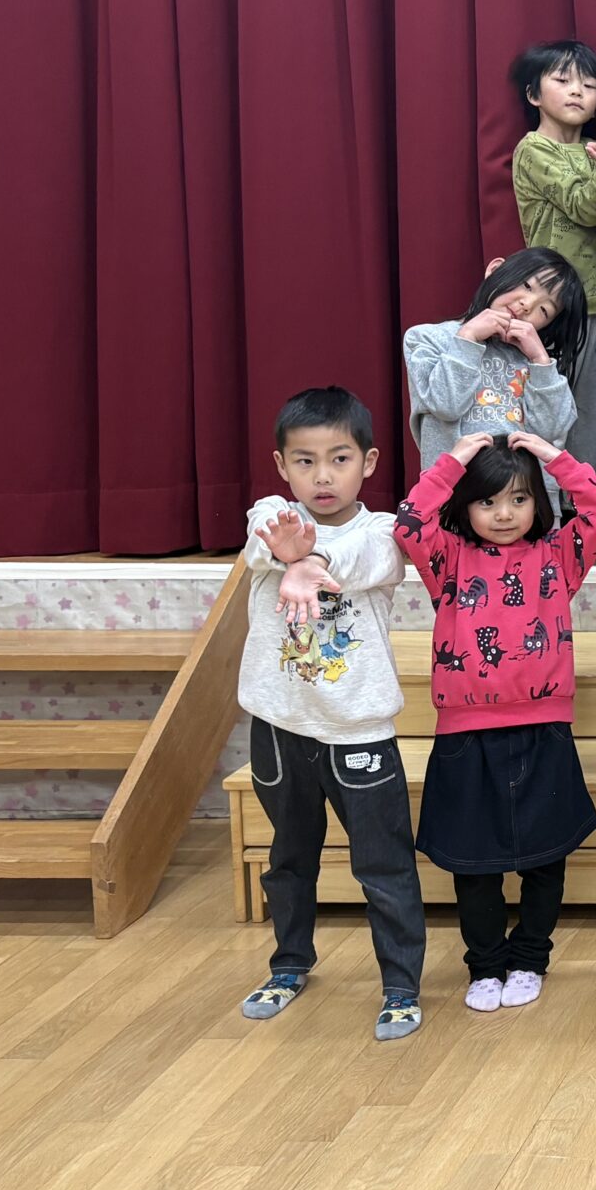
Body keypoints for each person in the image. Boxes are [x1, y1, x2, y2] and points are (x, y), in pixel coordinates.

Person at [391, 429, 596, 1013]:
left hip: (545, 730)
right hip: (466, 735)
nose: (504, 514)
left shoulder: (558, 557)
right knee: (474, 865)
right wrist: (454, 461)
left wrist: (552, 456)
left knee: (546, 860)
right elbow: (409, 523)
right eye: (487, 501)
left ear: (537, 502)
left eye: (519, 499)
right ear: (465, 505)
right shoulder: (449, 559)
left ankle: (531, 957)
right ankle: (486, 966)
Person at [234, 388, 426, 1044]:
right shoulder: (271, 515)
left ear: (368, 462)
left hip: (358, 731)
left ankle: (400, 986)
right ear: (281, 465)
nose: (322, 475)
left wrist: (311, 561)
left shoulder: (384, 531)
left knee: (384, 865)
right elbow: (262, 545)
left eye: (339, 459)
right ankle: (288, 965)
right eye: (305, 460)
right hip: (280, 727)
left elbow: (368, 560)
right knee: (289, 858)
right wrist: (289, 552)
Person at [508, 38, 596, 469]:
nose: (577, 90)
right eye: (562, 80)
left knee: (591, 418)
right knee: (546, 414)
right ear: (533, 94)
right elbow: (584, 206)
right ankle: (542, 502)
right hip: (552, 306)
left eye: (589, 84)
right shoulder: (533, 149)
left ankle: (582, 502)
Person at [401, 248, 584, 465]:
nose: (527, 305)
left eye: (544, 310)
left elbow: (551, 432)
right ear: (495, 269)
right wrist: (468, 337)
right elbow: (445, 406)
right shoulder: (427, 337)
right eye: (527, 286)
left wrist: (540, 360)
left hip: (526, 486)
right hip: (456, 484)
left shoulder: (538, 365)